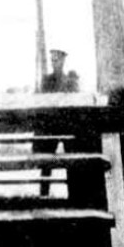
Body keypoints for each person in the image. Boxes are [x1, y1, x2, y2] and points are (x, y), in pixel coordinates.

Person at [35, 49, 80, 194]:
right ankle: (44, 193)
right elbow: (42, 100)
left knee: (71, 159)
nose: (55, 63)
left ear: (63, 61)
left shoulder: (70, 81)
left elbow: (76, 101)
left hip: (66, 124)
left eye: (57, 60)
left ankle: (73, 193)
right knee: (47, 161)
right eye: (53, 60)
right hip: (51, 124)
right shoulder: (47, 80)